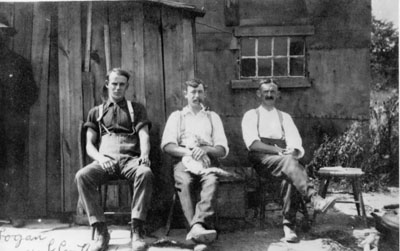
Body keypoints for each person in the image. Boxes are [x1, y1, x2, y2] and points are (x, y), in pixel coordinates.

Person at [241, 79, 336, 243]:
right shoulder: (251, 115)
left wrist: (292, 150)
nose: (269, 95)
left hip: (284, 161)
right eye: (266, 92)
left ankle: (288, 227)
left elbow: (294, 141)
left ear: (278, 94)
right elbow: (253, 144)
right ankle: (314, 198)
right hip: (262, 160)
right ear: (259, 94)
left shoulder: (284, 117)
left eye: (272, 92)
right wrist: (279, 151)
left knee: (289, 177)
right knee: (289, 163)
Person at [75, 68, 153, 251]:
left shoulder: (137, 109)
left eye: (121, 85)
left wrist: (145, 155)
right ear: (107, 84)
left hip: (130, 160)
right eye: (114, 84)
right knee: (82, 176)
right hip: (105, 160)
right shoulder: (96, 112)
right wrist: (101, 158)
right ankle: (101, 230)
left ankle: (137, 229)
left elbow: (144, 136)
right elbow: (89, 145)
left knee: (146, 173)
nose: (117, 88)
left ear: (126, 86)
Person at [161, 79, 229, 245]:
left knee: (211, 180)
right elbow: (168, 145)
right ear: (186, 94)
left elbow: (222, 149)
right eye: (192, 92)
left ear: (204, 94)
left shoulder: (212, 117)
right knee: (184, 181)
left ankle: (197, 227)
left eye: (199, 92)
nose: (196, 96)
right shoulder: (177, 117)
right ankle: (197, 232)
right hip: (184, 157)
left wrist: (205, 150)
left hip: (207, 159)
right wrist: (191, 152)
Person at [0, 14, 38, 223]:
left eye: (1, 32)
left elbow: (32, 93)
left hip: (12, 126)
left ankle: (15, 213)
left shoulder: (19, 63)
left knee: (14, 168)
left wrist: (15, 112)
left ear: (7, 35)